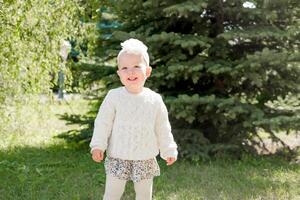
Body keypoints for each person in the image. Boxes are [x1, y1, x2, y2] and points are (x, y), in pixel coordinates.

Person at [89, 38, 178, 200]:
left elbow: (163, 127)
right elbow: (103, 123)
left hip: (145, 157)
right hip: (118, 156)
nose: (130, 72)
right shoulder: (114, 96)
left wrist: (168, 149)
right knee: (112, 194)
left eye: (136, 66)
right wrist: (98, 145)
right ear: (119, 74)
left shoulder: (154, 100)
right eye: (125, 68)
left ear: (148, 71)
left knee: (144, 195)